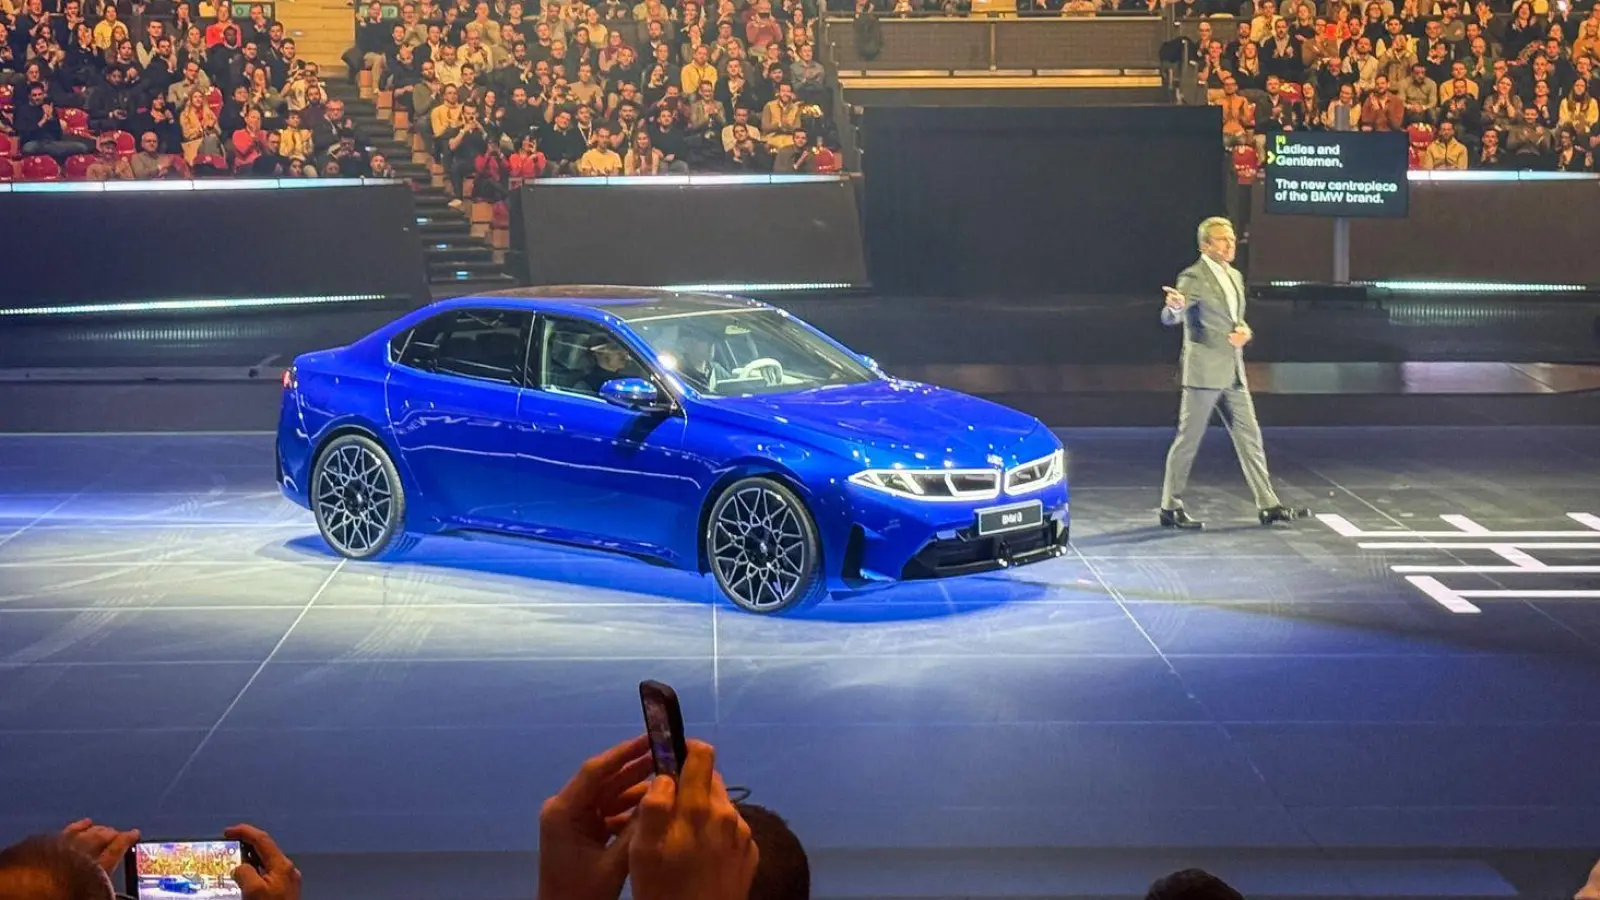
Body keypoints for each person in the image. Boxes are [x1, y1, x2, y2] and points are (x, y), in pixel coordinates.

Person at [1157, 217, 1307, 529]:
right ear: (1205, 245)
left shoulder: (1235, 276)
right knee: (1188, 441)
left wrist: (1245, 332)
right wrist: (1175, 307)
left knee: (1250, 437)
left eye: (1232, 238)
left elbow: (1235, 320)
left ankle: (1268, 504)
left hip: (1234, 373)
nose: (1230, 244)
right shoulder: (1193, 277)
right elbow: (1173, 315)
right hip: (1204, 373)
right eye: (1222, 239)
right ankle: (1170, 507)